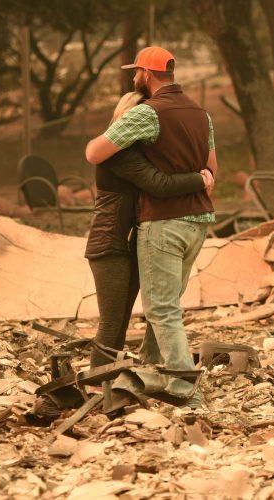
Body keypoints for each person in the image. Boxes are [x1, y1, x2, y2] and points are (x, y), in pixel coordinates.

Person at [85, 46, 218, 404]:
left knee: (161, 309)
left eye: (136, 72)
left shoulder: (149, 113)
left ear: (147, 73)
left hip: (163, 222)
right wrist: (201, 178)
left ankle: (183, 388)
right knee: (166, 303)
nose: (133, 78)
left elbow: (94, 152)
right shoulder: (201, 113)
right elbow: (212, 168)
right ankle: (152, 368)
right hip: (198, 221)